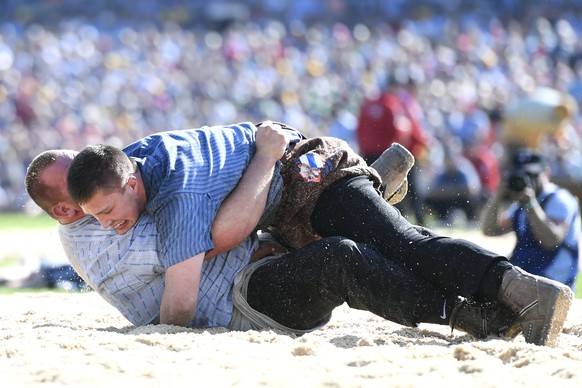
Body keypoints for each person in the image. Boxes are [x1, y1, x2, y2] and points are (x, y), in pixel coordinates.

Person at [66, 121, 573, 346]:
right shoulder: (143, 154)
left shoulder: (176, 193)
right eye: (98, 218)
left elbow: (187, 292)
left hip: (310, 180)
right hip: (299, 193)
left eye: (110, 210)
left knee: (404, 244)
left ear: (131, 181)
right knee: (392, 243)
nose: (110, 224)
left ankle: (522, 291)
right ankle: (378, 188)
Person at [482, 148, 580, 291]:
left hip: (554, 285)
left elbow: (551, 241)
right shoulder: (523, 201)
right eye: (522, 174)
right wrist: (498, 195)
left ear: (546, 173)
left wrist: (530, 204)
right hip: (529, 279)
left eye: (532, 174)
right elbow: (490, 230)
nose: (527, 179)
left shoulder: (560, 199)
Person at [355, 75, 430, 225]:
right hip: (389, 154)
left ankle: (378, 222)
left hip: (369, 153)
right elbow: (400, 130)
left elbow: (359, 130)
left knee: (374, 190)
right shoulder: (392, 104)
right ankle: (413, 221)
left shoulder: (368, 104)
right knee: (403, 189)